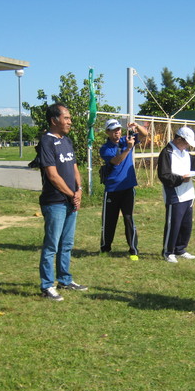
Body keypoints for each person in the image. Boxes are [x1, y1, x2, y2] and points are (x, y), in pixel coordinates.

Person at [38, 103, 87, 301]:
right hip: (55, 202)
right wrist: (71, 194)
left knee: (67, 243)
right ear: (54, 120)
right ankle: (47, 286)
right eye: (66, 118)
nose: (70, 122)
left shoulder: (66, 141)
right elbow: (52, 175)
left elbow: (74, 167)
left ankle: (65, 279)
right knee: (52, 245)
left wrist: (79, 190)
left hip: (70, 201)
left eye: (69, 118)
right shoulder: (46, 142)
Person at [157, 126, 195, 263]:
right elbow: (164, 175)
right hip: (174, 194)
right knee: (173, 224)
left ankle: (180, 249)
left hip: (188, 194)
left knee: (186, 225)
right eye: (186, 143)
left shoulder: (184, 152)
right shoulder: (167, 153)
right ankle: (168, 251)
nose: (187, 146)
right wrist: (180, 179)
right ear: (178, 139)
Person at [99, 119, 148, 260]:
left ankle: (133, 250)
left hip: (128, 187)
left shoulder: (126, 140)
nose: (117, 132)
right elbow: (116, 161)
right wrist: (128, 148)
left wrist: (136, 125)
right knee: (109, 220)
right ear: (107, 132)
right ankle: (105, 248)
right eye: (114, 130)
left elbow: (145, 134)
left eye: (119, 129)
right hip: (112, 189)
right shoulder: (105, 148)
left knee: (128, 218)